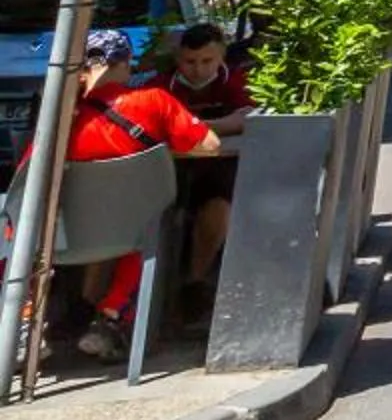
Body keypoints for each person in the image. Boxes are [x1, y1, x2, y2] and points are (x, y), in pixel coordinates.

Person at [58, 27, 223, 362]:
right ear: (125, 64)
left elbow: (27, 170)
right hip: (127, 232)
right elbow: (209, 146)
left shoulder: (60, 116)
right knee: (148, 225)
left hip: (62, 235)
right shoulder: (153, 101)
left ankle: (25, 323)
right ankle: (111, 317)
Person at [159, 23, 249, 323]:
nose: (198, 70)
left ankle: (195, 284)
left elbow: (246, 116)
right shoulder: (162, 86)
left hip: (216, 169)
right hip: (167, 173)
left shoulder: (234, 82)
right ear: (178, 59)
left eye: (207, 61)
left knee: (218, 208)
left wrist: (192, 126)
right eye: (190, 62)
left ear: (221, 55)